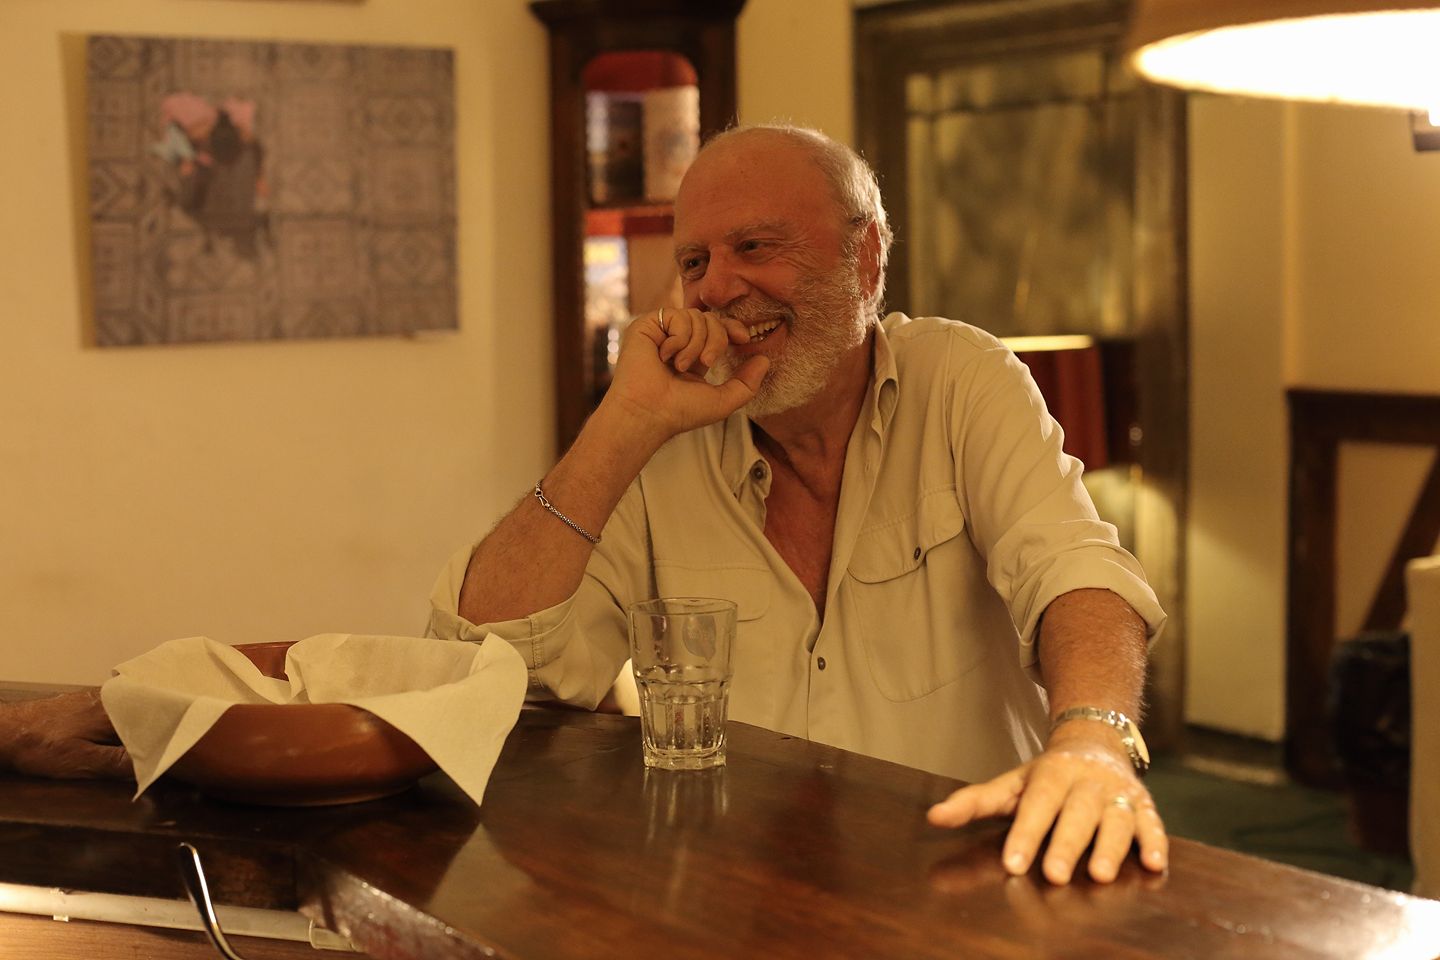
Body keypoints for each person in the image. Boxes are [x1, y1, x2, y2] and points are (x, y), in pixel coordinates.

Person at [428, 124, 1169, 886]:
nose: (716, 288)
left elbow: (1076, 573)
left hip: (967, 879)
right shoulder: (661, 440)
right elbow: (483, 670)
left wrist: (1093, 738)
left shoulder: (961, 381)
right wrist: (620, 426)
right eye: (694, 262)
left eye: (754, 247)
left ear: (866, 257)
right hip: (739, 898)